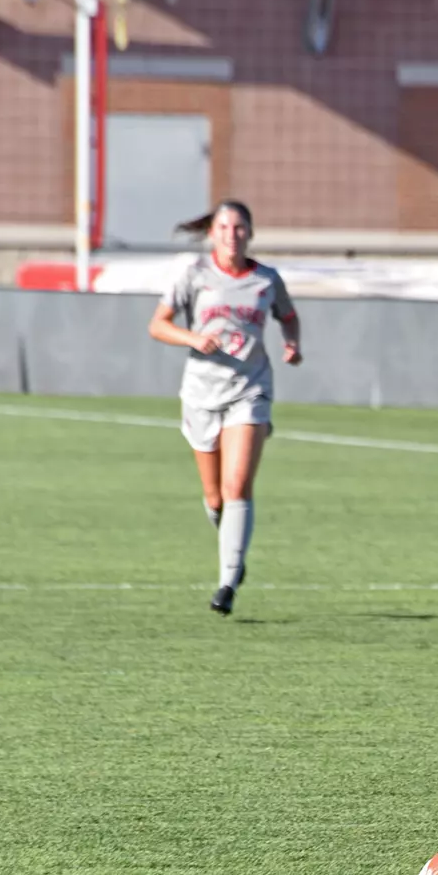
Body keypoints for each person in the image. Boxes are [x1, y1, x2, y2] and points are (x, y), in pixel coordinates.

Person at [148, 200, 302, 616]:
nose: (232, 235)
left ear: (249, 233)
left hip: (249, 390)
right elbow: (157, 324)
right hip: (201, 392)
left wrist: (292, 343)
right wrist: (192, 339)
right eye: (224, 228)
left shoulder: (266, 280)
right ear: (212, 233)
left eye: (239, 228)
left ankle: (227, 581)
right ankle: (233, 545)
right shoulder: (194, 275)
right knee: (215, 496)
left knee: (237, 486)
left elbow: (288, 316)